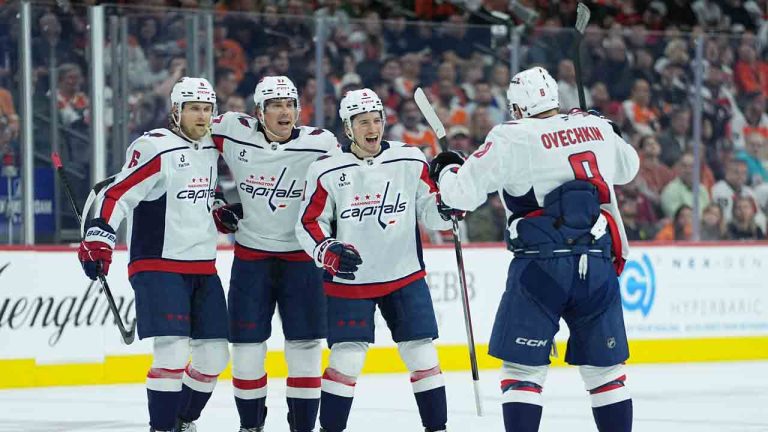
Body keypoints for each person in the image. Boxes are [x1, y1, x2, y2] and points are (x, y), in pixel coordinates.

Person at [430, 66, 639, 432]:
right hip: (597, 263)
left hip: (542, 268)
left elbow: (460, 194)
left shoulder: (514, 136)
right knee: (605, 373)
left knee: (522, 373)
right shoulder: (596, 126)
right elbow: (628, 169)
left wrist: (447, 170)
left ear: (517, 108)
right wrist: (608, 129)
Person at [296, 89, 455, 432]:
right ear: (348, 128)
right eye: (363, 121)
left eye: (377, 119)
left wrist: (451, 202)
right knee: (348, 359)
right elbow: (309, 223)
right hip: (351, 281)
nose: (373, 127)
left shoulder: (411, 159)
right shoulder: (327, 170)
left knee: (422, 355)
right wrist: (326, 250)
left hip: (404, 275)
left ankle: (437, 428)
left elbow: (432, 212)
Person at [77, 77, 228, 432]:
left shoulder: (208, 147)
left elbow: (205, 190)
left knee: (214, 356)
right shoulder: (155, 147)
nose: (202, 116)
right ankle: (161, 427)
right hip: (158, 264)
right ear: (176, 111)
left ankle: (182, 420)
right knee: (172, 352)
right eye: (194, 108)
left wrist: (219, 207)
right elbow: (117, 194)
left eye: (207, 109)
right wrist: (99, 238)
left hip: (203, 266)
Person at [210, 76, 340, 432]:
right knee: (247, 351)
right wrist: (215, 201)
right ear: (258, 112)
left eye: (290, 104)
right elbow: (192, 147)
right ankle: (251, 426)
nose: (285, 112)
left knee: (305, 349)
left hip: (302, 260)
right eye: (276, 105)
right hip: (252, 259)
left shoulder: (322, 144)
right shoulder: (232, 130)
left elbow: (345, 184)